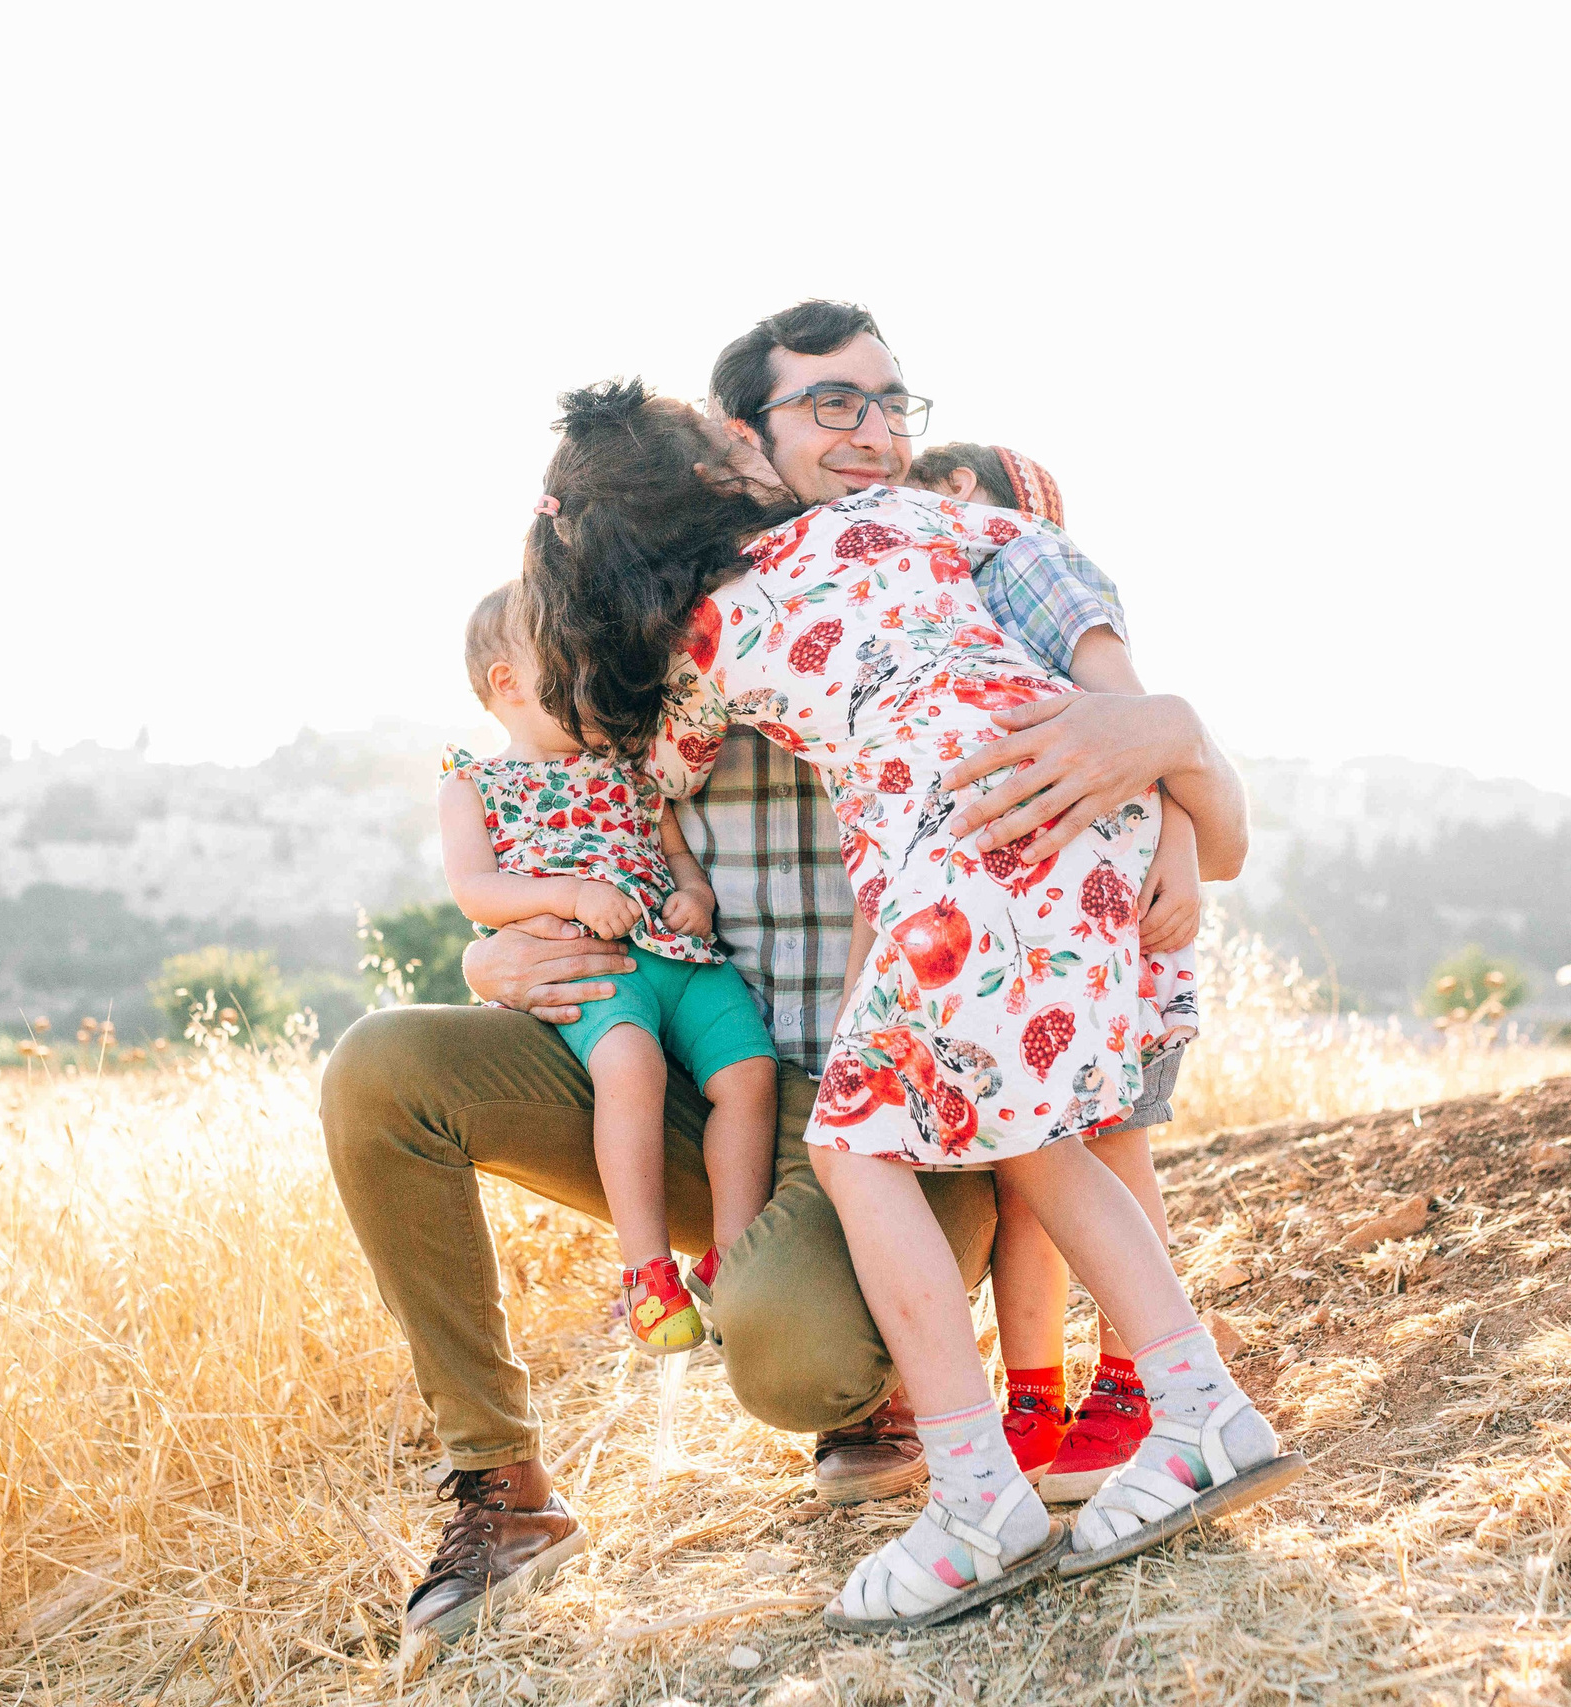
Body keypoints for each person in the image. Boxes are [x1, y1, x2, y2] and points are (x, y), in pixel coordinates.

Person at [322, 299, 1253, 1644]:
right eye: (833, 405)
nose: (872, 432)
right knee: (387, 1069)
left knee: (839, 1246)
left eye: (891, 404)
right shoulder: (870, 552)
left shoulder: (751, 613)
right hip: (753, 1036)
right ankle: (501, 1482)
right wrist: (497, 933)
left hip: (925, 977)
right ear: (742, 449)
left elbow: (1207, 820)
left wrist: (1163, 734)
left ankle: (975, 1455)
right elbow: (558, 788)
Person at [524, 377, 1304, 1629]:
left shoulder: (703, 637)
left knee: (850, 1145)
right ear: (727, 471)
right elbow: (1039, 552)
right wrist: (1158, 738)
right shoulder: (897, 521)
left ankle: (972, 1494)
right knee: (1032, 1141)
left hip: (972, 845)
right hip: (1082, 792)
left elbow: (662, 763)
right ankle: (1201, 1417)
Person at [901, 444, 1203, 1499]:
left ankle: (1135, 1384)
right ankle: (1033, 1395)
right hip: (1011, 931)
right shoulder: (923, 606)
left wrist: (1178, 846)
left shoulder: (1030, 566)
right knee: (1027, 1168)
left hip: (1102, 928)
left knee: (1111, 1147)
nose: (926, 507)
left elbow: (1135, 722)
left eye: (950, 489)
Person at [439, 581, 779, 1353]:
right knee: (629, 1064)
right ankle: (647, 1271)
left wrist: (692, 894)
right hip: (592, 965)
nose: (601, 683)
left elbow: (674, 851)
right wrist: (573, 892)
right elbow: (476, 888)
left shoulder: (629, 765)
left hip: (681, 954)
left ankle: (730, 1256)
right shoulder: (474, 785)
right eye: (579, 666)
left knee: (749, 1072)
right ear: (510, 683)